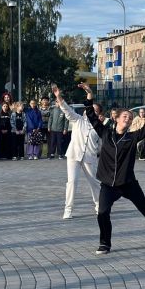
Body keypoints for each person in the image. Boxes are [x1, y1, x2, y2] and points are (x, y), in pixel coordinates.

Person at [82, 83, 145, 254]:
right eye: (125, 116)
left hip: (128, 183)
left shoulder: (132, 137)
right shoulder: (105, 133)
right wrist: (89, 96)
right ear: (117, 118)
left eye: (130, 117)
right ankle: (105, 243)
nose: (128, 119)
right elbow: (91, 116)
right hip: (108, 184)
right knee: (102, 212)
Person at [53, 84, 102, 220]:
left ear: (98, 114)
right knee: (72, 182)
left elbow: (103, 145)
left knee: (95, 182)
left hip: (90, 157)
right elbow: (67, 110)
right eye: (89, 109)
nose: (90, 111)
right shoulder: (78, 120)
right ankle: (68, 210)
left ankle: (99, 206)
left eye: (94, 110)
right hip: (74, 155)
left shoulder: (99, 127)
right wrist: (59, 97)